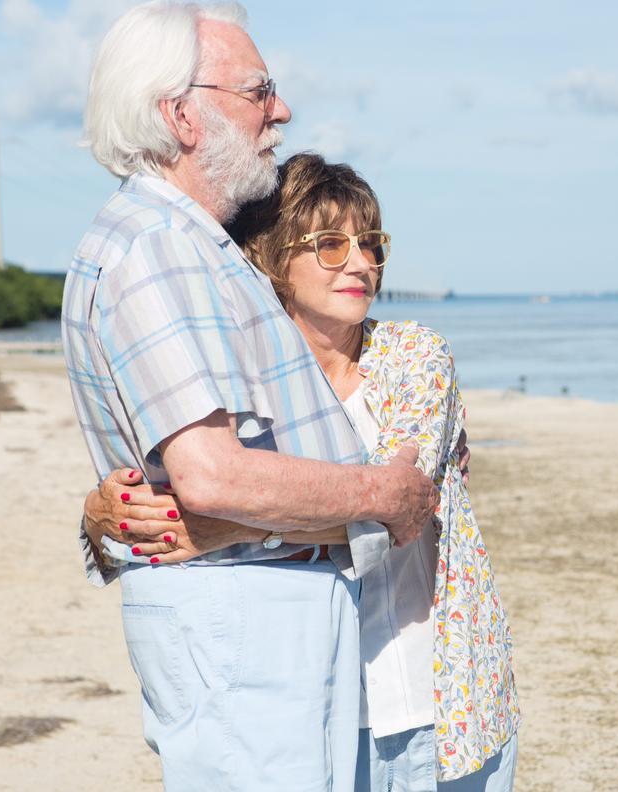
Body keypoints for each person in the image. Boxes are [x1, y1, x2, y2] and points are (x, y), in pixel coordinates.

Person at [61, 4, 439, 790]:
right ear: (181, 115)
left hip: (255, 619)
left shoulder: (188, 242)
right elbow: (210, 476)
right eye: (258, 90)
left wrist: (108, 519)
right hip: (248, 626)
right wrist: (384, 493)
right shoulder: (161, 247)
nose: (282, 110)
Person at [85, 153, 519, 792]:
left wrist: (223, 531)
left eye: (372, 244)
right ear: (271, 257)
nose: (361, 263)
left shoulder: (415, 357)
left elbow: (398, 504)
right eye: (330, 244)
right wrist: (100, 516)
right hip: (314, 716)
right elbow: (156, 514)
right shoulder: (244, 388)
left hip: (443, 706)